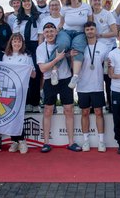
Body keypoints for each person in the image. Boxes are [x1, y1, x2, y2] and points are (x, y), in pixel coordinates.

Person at [37, 22, 82, 153]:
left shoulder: (63, 44)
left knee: (69, 109)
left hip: (65, 79)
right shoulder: (40, 48)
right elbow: (43, 68)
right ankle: (46, 143)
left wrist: (69, 55)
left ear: (56, 32)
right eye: (47, 32)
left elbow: (66, 56)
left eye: (52, 31)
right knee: (47, 110)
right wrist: (56, 59)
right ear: (43, 34)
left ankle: (71, 142)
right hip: (49, 80)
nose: (50, 34)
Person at [75, 22, 109, 152]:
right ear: (84, 31)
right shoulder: (79, 46)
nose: (90, 31)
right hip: (83, 85)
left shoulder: (103, 46)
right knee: (85, 112)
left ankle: (101, 141)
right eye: (87, 29)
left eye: (92, 29)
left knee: (99, 112)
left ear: (95, 30)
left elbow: (106, 64)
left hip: (97, 85)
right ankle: (86, 141)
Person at [52, 0, 93, 89]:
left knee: (78, 49)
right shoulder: (64, 8)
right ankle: (54, 71)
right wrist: (56, 32)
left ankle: (75, 76)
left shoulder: (86, 6)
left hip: (80, 33)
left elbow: (90, 23)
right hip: (66, 32)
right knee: (62, 44)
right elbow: (61, 23)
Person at [3, 33, 36, 154]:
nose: (17, 44)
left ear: (22, 43)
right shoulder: (6, 56)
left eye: (19, 42)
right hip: (8, 90)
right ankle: (15, 141)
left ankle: (22, 141)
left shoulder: (26, 56)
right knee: (11, 115)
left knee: (18, 115)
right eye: (14, 41)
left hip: (21, 90)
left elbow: (34, 75)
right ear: (11, 43)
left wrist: (29, 69)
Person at [14, 0, 42, 112]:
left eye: (28, 1)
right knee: (24, 74)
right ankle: (26, 102)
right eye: (24, 1)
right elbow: (15, 35)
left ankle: (35, 102)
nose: (26, 3)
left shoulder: (38, 17)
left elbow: (40, 34)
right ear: (22, 4)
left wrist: (40, 49)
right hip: (23, 46)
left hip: (35, 45)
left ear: (31, 3)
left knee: (35, 74)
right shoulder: (18, 18)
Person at [90, 0, 117, 112]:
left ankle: (111, 105)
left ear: (101, 1)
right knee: (95, 78)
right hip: (94, 50)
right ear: (91, 1)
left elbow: (115, 32)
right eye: (94, 0)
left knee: (108, 77)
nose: (96, 2)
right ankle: (95, 105)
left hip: (108, 50)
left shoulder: (107, 14)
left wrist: (100, 35)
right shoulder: (89, 14)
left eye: (98, 0)